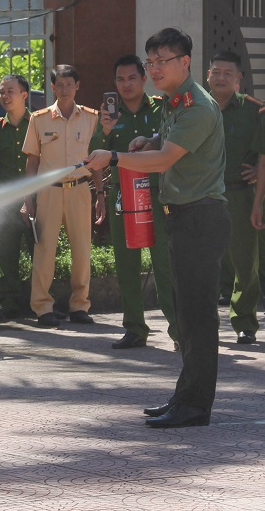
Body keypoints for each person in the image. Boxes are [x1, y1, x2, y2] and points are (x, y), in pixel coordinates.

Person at [86, 28, 231, 429]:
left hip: (201, 217)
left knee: (198, 318)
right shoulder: (175, 101)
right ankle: (185, 397)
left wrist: (114, 157)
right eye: (150, 62)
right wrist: (147, 140)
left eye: (161, 61)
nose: (153, 69)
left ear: (185, 62)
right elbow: (166, 145)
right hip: (184, 216)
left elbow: (167, 160)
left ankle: (196, 405)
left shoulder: (196, 106)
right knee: (186, 314)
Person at [89, 54, 179, 350]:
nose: (126, 84)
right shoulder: (108, 116)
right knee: (126, 264)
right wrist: (103, 131)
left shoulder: (161, 108)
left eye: (131, 78)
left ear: (143, 79)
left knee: (165, 263)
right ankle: (135, 329)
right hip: (122, 197)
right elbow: (94, 157)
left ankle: (179, 330)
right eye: (119, 79)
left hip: (158, 194)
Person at [22, 64, 105, 328]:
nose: (65, 89)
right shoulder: (39, 118)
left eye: (70, 84)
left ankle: (80, 306)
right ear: (53, 87)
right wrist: (28, 198)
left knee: (82, 250)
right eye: (60, 84)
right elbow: (32, 162)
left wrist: (100, 194)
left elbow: (97, 161)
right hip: (49, 192)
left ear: (78, 86)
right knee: (45, 250)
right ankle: (42, 308)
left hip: (80, 190)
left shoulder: (91, 118)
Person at [206, 50, 262, 345]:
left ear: (238, 78)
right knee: (205, 261)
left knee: (245, 261)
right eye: (216, 72)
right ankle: (204, 322)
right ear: (208, 75)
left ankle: (245, 322)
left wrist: (257, 168)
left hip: (239, 194)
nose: (221, 78)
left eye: (228, 73)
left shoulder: (255, 111)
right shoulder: (196, 108)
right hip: (202, 195)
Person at [0, 74, 36, 319]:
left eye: (10, 91)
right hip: (6, 199)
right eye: (2, 91)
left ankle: (40, 301)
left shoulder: (37, 124)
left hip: (35, 197)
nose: (5, 96)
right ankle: (12, 302)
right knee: (7, 252)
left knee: (40, 249)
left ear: (24, 95)